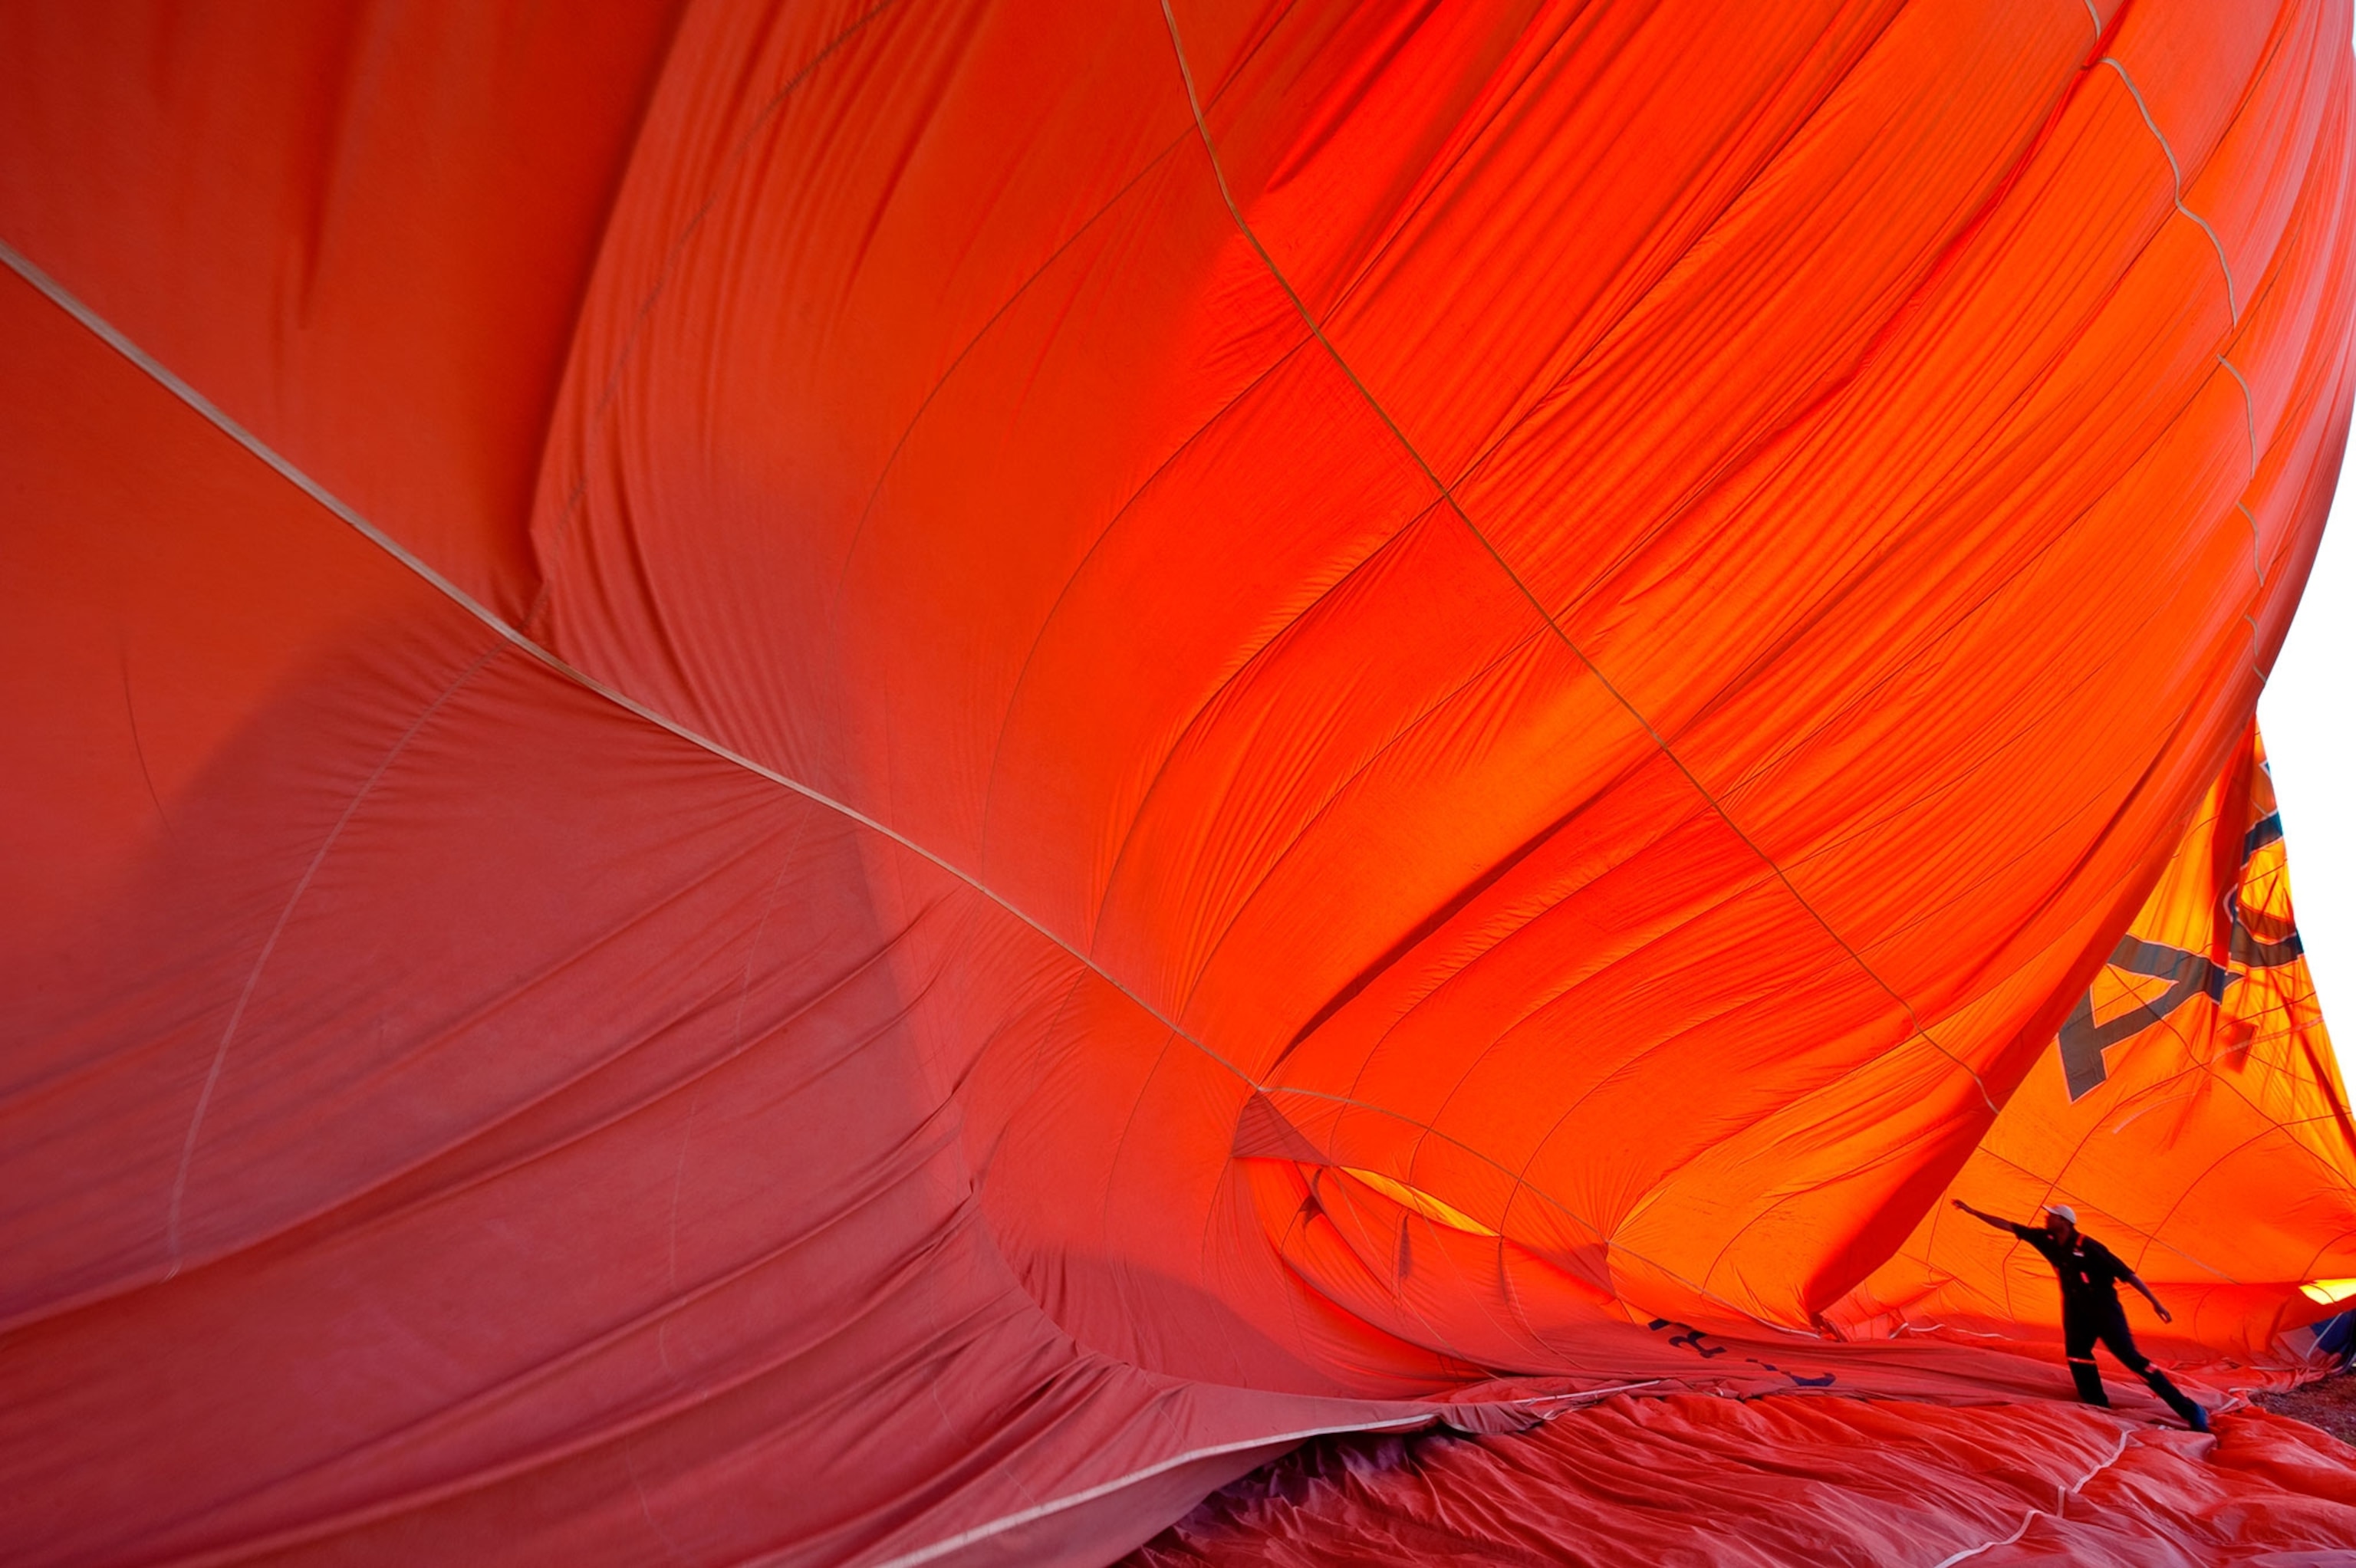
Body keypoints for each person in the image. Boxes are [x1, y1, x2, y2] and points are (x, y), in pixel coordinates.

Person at [1951, 1198, 2210, 1432]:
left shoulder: (2090, 1247)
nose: (2045, 1218)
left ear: (2064, 1222)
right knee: (2077, 1354)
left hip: (2104, 1310)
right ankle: (2097, 1403)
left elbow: (2127, 1273)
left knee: (2131, 1360)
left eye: (2051, 1215)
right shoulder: (2047, 1240)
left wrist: (2156, 1303)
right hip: (2076, 1310)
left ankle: (2189, 1409)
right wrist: (1974, 1212)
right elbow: (2009, 1226)